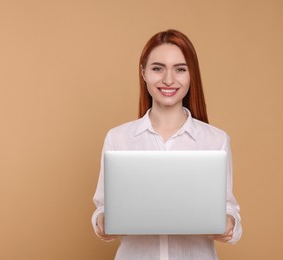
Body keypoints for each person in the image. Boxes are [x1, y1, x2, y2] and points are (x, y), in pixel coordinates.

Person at [92, 29, 242, 259]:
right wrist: (102, 220)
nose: (169, 80)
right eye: (157, 68)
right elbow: (102, 208)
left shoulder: (215, 140)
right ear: (143, 72)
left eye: (180, 69)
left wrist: (230, 223)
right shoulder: (118, 138)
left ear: (192, 74)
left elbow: (229, 209)